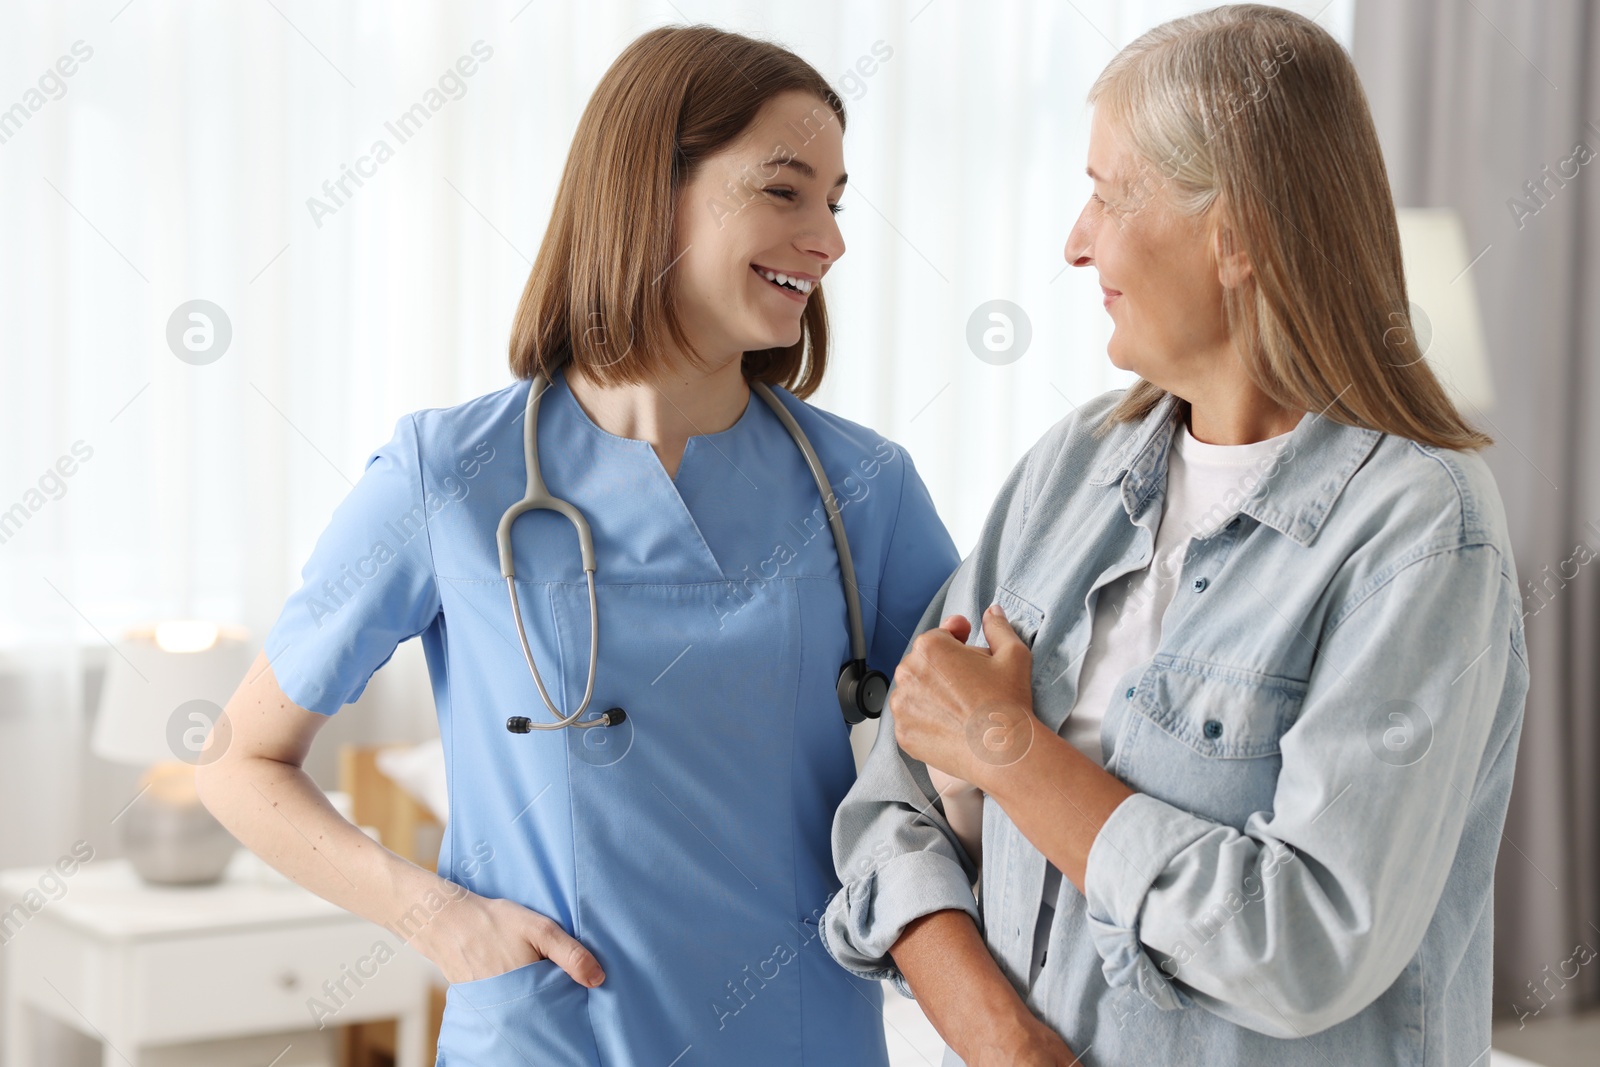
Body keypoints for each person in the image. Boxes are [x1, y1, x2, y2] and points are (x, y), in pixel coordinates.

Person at [196, 26, 959, 1066]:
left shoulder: (862, 488)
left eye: (835, 199)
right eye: (785, 191)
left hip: (797, 1033)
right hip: (549, 1035)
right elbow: (240, 758)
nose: (827, 238)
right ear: (652, 188)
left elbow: (973, 762)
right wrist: (438, 917)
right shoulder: (450, 472)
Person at [821, 7, 1529, 1066]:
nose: (1075, 238)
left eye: (1109, 193)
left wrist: (1007, 753)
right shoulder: (1070, 470)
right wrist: (1009, 1044)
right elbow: (889, 820)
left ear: (1235, 232)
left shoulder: (1422, 530)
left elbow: (1305, 942)